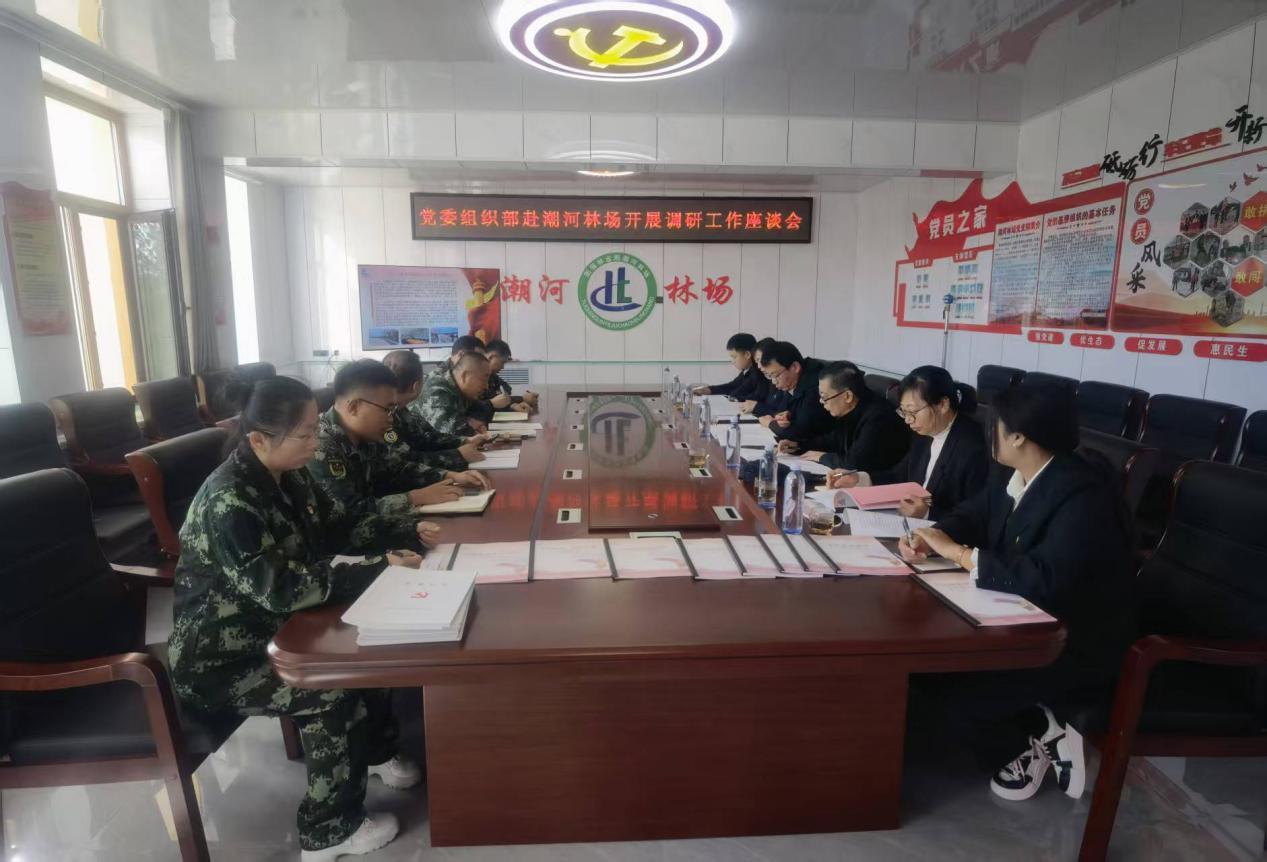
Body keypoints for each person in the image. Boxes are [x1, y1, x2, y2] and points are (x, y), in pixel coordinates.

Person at [168, 375, 438, 860]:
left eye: (316, 429)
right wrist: (378, 569)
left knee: (370, 657)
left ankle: (374, 754)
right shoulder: (230, 502)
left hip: (275, 631)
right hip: (223, 661)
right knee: (332, 691)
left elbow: (337, 527)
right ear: (258, 440)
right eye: (306, 433)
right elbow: (282, 590)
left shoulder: (288, 476)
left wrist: (406, 529)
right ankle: (328, 831)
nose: (316, 441)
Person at [901, 384, 1135, 803]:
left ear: (1019, 437)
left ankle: (1036, 737)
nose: (986, 434)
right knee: (926, 674)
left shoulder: (1081, 494)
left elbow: (1045, 578)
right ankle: (1037, 725)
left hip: (1069, 639)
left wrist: (960, 554)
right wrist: (934, 535)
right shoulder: (1011, 474)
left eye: (994, 427)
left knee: (958, 703)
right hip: (1018, 617)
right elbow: (974, 515)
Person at [309, 360, 489, 524]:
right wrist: (415, 498)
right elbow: (349, 513)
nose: (391, 419)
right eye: (387, 409)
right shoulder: (320, 446)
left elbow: (396, 469)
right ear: (354, 407)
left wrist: (450, 476)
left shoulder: (367, 434)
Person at [827, 365, 987, 519]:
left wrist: (927, 514)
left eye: (913, 412)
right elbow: (900, 475)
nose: (908, 420)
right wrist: (859, 479)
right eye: (904, 412)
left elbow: (975, 516)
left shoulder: (973, 447)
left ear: (943, 405)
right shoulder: (924, 432)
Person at [382, 349, 486, 470]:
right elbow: (403, 461)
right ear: (416, 386)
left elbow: (427, 437)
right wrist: (457, 455)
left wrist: (464, 441)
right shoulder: (387, 417)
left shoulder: (400, 410)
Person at [417, 351, 493, 437]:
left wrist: (474, 424)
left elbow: (479, 411)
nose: (486, 386)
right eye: (484, 379)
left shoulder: (463, 390)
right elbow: (452, 433)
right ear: (465, 376)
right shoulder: (437, 390)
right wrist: (471, 429)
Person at [692, 332, 770, 404]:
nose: (732, 361)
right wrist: (708, 390)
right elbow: (731, 386)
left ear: (747, 355)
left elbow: (737, 394)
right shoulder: (746, 371)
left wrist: (731, 397)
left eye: (734, 357)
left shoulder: (757, 373)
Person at [481, 339, 538, 414]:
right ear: (491, 357)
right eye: (502, 362)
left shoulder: (492, 375)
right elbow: (486, 403)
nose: (502, 367)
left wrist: (511, 405)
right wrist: (522, 399)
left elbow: (506, 389)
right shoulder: (478, 376)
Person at [744, 337, 783, 416]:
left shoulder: (784, 380)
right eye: (756, 362)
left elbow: (781, 413)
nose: (759, 366)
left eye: (760, 360)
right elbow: (759, 395)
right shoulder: (765, 377)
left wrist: (756, 406)